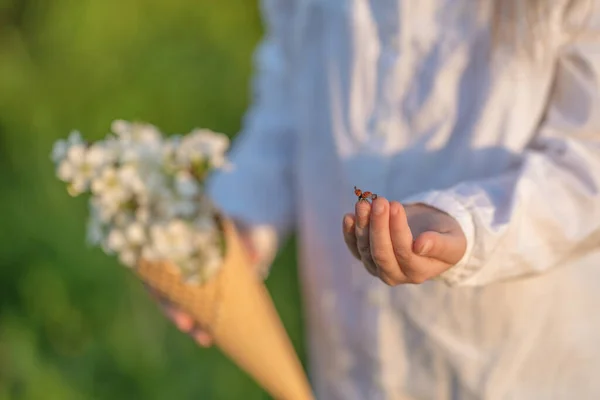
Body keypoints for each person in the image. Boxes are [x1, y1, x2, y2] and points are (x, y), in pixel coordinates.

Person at [155, 0, 600, 398]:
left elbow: (587, 165)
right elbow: (290, 90)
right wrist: (246, 211)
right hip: (350, 348)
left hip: (512, 363)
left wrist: (467, 224)